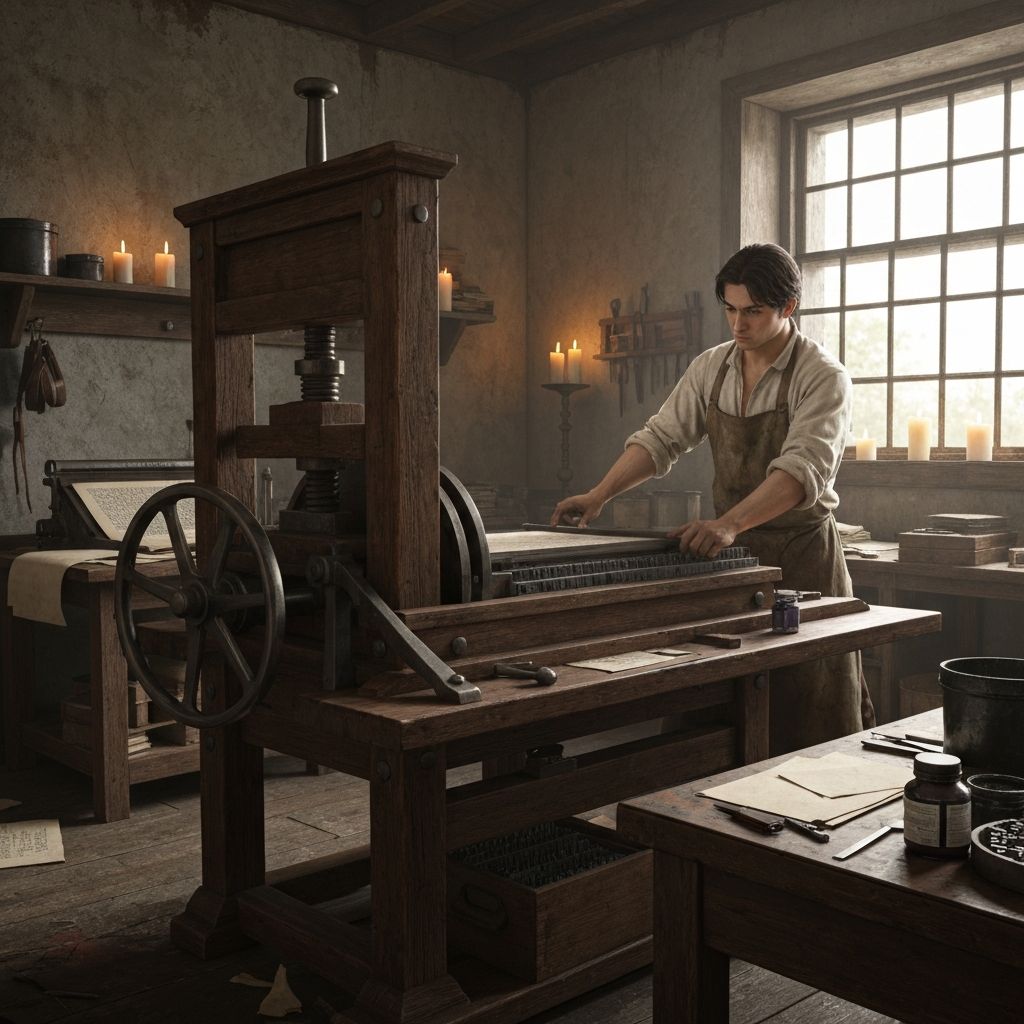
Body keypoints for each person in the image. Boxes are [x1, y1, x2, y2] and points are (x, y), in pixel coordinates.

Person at [551, 242, 872, 754]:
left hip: (804, 565)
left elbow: (800, 472)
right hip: (733, 562)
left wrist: (728, 523)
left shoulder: (822, 376)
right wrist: (599, 495)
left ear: (788, 308)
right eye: (729, 309)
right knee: (714, 708)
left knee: (809, 713)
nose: (738, 324)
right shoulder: (712, 368)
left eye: (753, 312)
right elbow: (660, 439)